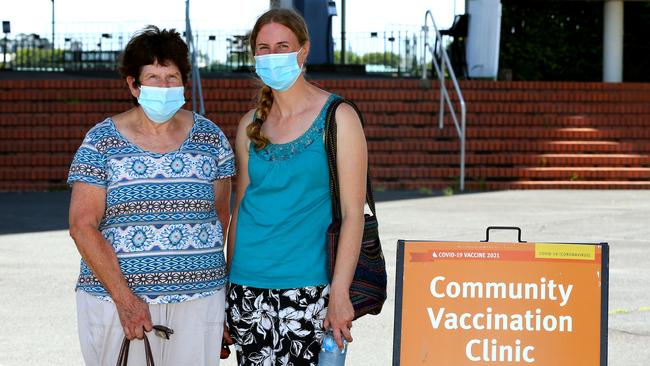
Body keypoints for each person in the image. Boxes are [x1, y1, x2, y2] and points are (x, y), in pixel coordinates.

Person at [67, 25, 234, 366]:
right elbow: (82, 226)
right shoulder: (101, 142)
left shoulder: (211, 140)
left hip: (200, 300)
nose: (163, 86)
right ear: (133, 84)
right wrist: (125, 300)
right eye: (153, 77)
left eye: (171, 76)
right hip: (119, 302)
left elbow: (220, 218)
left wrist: (224, 294)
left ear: (184, 81)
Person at [224, 8, 368, 366]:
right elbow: (239, 209)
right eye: (264, 47)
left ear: (304, 51)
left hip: (311, 290)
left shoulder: (339, 118)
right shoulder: (248, 126)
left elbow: (353, 215)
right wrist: (226, 287)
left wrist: (340, 292)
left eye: (283, 45)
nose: (273, 56)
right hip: (247, 289)